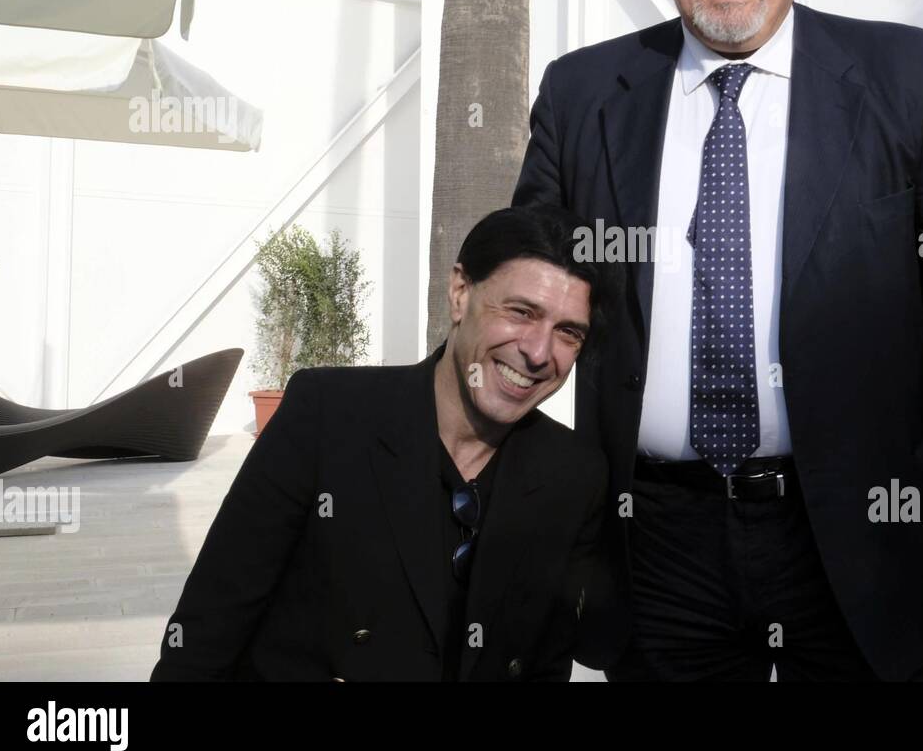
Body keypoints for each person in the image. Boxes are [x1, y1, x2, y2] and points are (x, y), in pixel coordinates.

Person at [513, 0, 923, 681]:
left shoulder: (912, 78)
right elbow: (525, 299)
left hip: (854, 541)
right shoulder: (581, 95)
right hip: (654, 544)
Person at [151, 205, 620, 681]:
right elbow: (206, 631)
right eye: (521, 312)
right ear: (460, 292)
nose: (539, 353)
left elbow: (545, 666)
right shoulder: (327, 415)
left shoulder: (573, 475)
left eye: (567, 333)